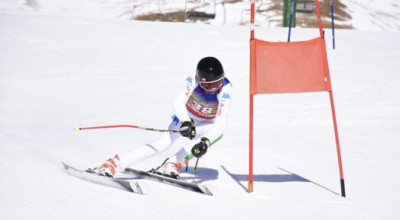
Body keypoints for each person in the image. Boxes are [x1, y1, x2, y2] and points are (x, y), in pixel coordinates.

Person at [90, 57, 232, 179]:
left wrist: (205, 143)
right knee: (162, 143)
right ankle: (114, 164)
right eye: (208, 85)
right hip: (187, 117)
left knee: (211, 137)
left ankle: (173, 163)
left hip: (207, 123)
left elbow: (221, 122)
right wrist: (186, 121)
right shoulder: (192, 80)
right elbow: (178, 101)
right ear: (199, 80)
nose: (214, 88)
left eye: (217, 83)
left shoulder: (225, 89)